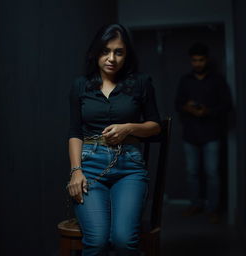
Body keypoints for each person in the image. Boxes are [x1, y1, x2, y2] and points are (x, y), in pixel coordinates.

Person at [66, 23, 161, 255]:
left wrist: (129, 128)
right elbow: (75, 132)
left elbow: (156, 126)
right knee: (97, 241)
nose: (111, 58)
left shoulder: (141, 83)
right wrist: (76, 171)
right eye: (105, 51)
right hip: (90, 167)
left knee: (122, 240)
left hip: (129, 168)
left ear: (126, 55)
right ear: (95, 52)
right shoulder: (80, 85)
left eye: (118, 52)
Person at [175, 42, 232, 224]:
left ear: (206, 60)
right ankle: (195, 204)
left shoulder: (218, 80)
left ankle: (213, 208)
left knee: (212, 173)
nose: (198, 64)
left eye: (201, 60)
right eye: (194, 60)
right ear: (191, 61)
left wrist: (207, 111)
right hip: (190, 134)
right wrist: (189, 108)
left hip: (211, 133)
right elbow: (178, 104)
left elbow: (226, 105)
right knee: (192, 172)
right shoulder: (185, 80)